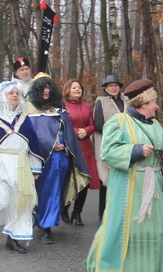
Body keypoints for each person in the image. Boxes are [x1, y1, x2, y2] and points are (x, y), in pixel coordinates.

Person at [84, 78, 163, 272]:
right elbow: (108, 152)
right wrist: (137, 150)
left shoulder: (157, 126)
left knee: (155, 236)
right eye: (154, 102)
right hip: (128, 191)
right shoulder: (118, 123)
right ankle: (104, 270)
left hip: (155, 190)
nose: (157, 106)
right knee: (121, 233)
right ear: (143, 102)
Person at [0, 81, 43, 254]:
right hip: (0, 166)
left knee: (20, 204)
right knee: (1, 203)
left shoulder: (24, 120)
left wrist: (35, 168)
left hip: (22, 166)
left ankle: (13, 239)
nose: (14, 95)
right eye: (10, 93)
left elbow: (33, 145)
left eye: (17, 93)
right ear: (3, 96)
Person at [27, 73, 91, 244]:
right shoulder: (30, 111)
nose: (46, 91)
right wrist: (50, 144)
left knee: (54, 192)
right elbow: (31, 136)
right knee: (42, 191)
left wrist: (65, 147)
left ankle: (47, 225)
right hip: (39, 159)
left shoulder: (59, 109)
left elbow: (68, 133)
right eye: (42, 87)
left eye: (48, 87)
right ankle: (41, 220)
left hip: (60, 158)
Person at [62, 78, 100, 226]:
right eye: (74, 88)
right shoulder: (63, 106)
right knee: (70, 181)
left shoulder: (86, 106)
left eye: (79, 87)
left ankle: (77, 213)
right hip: (71, 147)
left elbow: (93, 125)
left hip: (86, 147)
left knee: (84, 182)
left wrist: (86, 131)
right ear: (67, 91)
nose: (77, 90)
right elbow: (63, 125)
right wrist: (77, 131)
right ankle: (64, 208)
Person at [93, 74, 128, 219]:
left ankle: (119, 212)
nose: (114, 88)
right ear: (106, 88)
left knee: (122, 178)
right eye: (110, 85)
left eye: (116, 85)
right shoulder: (101, 101)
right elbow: (98, 123)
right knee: (105, 179)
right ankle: (103, 214)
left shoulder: (126, 101)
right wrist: (114, 132)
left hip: (124, 143)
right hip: (106, 143)